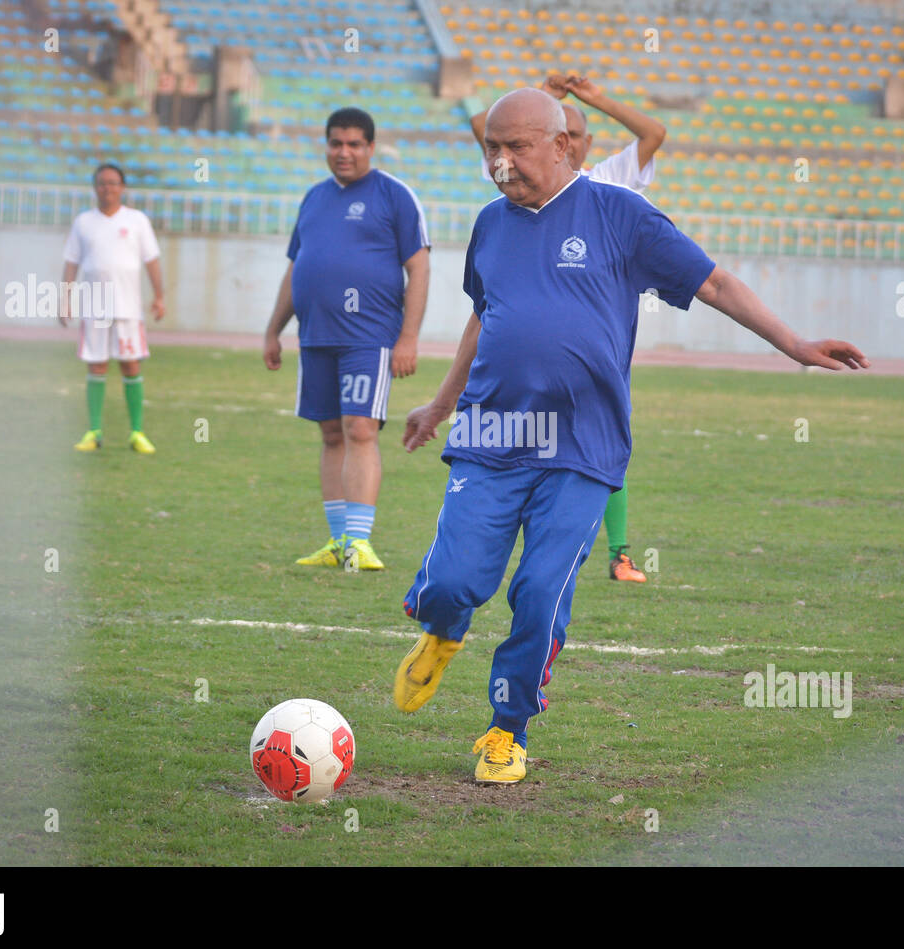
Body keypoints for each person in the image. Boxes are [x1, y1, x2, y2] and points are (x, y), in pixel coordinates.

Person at [395, 89, 867, 784]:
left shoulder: (621, 215)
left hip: (583, 443)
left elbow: (714, 284)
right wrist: (440, 402)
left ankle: (507, 728)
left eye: (515, 147)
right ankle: (444, 628)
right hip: (493, 432)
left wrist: (793, 343)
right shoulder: (491, 225)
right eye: (490, 147)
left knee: (541, 590)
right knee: (453, 582)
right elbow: (483, 317)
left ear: (563, 146)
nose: (499, 161)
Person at [471, 73, 667, 583]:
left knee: (599, 441)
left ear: (576, 144)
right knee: (540, 451)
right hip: (530, 365)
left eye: (579, 137)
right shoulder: (512, 190)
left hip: (596, 341)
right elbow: (486, 130)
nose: (573, 146)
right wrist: (541, 94)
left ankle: (618, 551)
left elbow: (653, 133)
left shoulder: (611, 183)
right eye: (566, 134)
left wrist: (594, 98)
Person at [264, 107, 430, 571]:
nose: (344, 152)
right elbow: (297, 268)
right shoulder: (314, 199)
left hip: (369, 337)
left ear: (371, 148)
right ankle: (339, 542)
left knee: (360, 428)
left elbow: (418, 267)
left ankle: (360, 543)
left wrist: (408, 338)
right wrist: (273, 330)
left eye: (355, 144)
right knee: (330, 431)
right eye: (336, 143)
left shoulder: (394, 196)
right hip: (316, 335)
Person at [60, 163, 164, 453]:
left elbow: (151, 260)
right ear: (95, 187)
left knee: (131, 365)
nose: (108, 188)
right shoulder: (83, 222)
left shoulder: (137, 220)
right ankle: (93, 431)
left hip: (128, 308)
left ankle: (137, 433)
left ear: (122, 187)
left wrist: (159, 295)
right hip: (94, 308)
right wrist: (65, 297)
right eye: (103, 183)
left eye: (113, 183)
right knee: (97, 365)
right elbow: (72, 262)